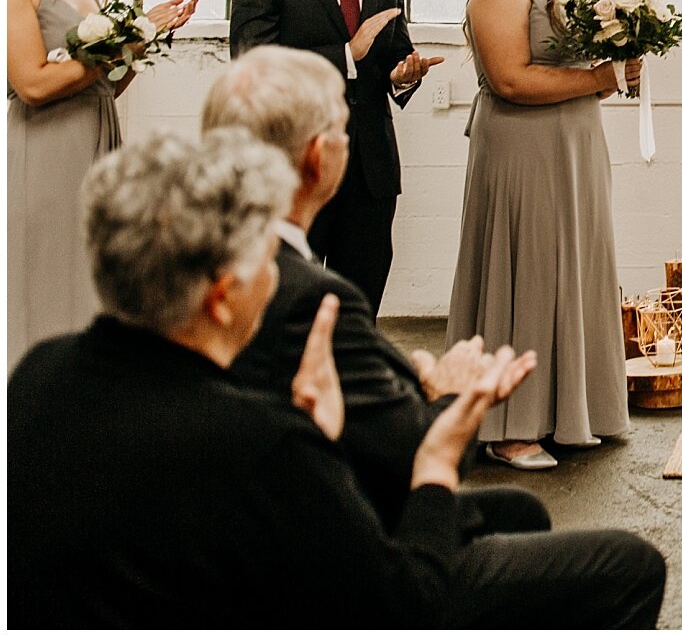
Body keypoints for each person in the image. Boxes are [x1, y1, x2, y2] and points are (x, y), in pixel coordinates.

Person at [204, 47, 668, 623]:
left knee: (519, 512)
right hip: (347, 564)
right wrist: (451, 396)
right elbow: (413, 450)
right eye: (343, 126)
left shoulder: (205, 270)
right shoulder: (308, 296)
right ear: (318, 158)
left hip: (265, 510)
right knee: (631, 564)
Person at [8, 130, 513, 625]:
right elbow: (403, 606)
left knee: (512, 513)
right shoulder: (256, 439)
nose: (278, 274)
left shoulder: (36, 375)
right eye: (266, 257)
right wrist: (436, 464)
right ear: (222, 298)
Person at [448, 0, 633, 471]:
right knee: (526, 270)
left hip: (574, 148)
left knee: (572, 270)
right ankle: (510, 426)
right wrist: (602, 79)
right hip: (523, 150)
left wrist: (624, 67)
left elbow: (576, 70)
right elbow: (510, 80)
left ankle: (575, 411)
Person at [229, 0, 442, 314]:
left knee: (359, 307)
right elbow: (251, 64)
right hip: (294, 167)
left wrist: (404, 74)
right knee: (284, 305)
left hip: (369, 170)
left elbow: (393, 52)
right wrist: (346, 53)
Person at [7, 0, 199, 363]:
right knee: (50, 274)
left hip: (99, 131)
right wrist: (128, 40)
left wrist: (146, 39)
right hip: (47, 145)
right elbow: (33, 84)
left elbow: (104, 84)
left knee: (97, 271)